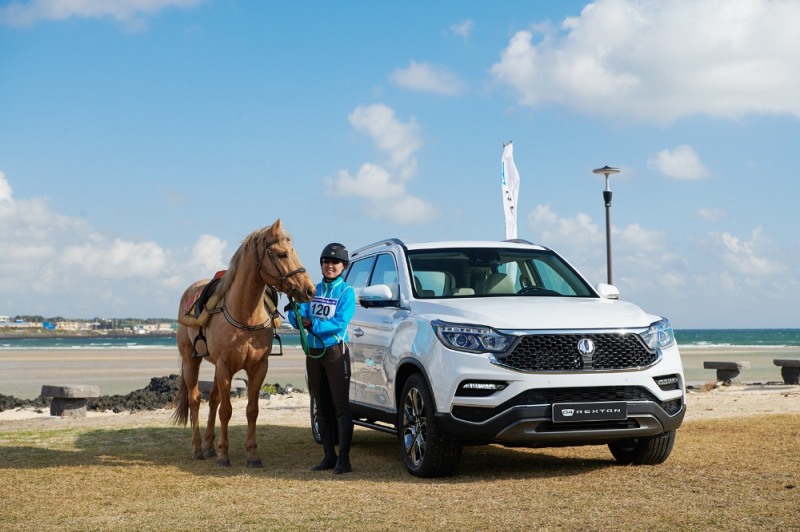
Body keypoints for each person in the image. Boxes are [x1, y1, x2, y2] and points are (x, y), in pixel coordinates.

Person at [288, 242, 356, 475]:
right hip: (313, 353)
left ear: (343, 266)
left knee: (340, 406)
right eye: (326, 261)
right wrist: (295, 315)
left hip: (335, 352)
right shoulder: (313, 289)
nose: (330, 265)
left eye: (335, 262)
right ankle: (329, 455)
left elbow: (340, 322)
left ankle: (344, 459)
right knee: (321, 407)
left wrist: (313, 323)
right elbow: (299, 314)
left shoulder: (346, 292)